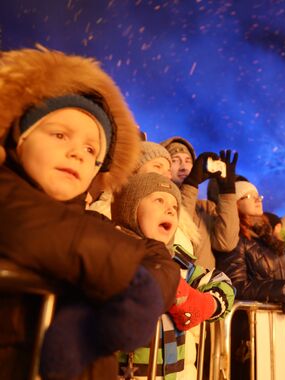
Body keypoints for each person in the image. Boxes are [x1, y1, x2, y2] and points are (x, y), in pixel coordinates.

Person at [0, 47, 180, 379]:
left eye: (91, 149)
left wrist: (95, 322)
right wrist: (128, 278)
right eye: (59, 134)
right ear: (19, 137)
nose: (77, 154)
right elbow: (28, 221)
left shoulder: (95, 225)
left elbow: (158, 257)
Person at [111, 173, 235, 379]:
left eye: (175, 207)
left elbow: (221, 281)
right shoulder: (112, 253)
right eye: (158, 200)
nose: (169, 208)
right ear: (130, 208)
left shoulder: (179, 262)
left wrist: (207, 303)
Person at [214, 177, 285, 313]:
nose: (258, 199)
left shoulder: (269, 240)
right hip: (250, 324)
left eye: (258, 196)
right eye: (249, 196)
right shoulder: (234, 239)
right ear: (235, 203)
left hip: (274, 323)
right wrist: (283, 291)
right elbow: (235, 284)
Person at [162, 137, 239, 269]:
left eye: (188, 161)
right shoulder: (159, 203)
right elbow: (179, 232)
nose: (183, 167)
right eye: (175, 161)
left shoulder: (206, 207)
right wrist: (191, 184)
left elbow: (226, 242)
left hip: (204, 287)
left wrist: (227, 192)